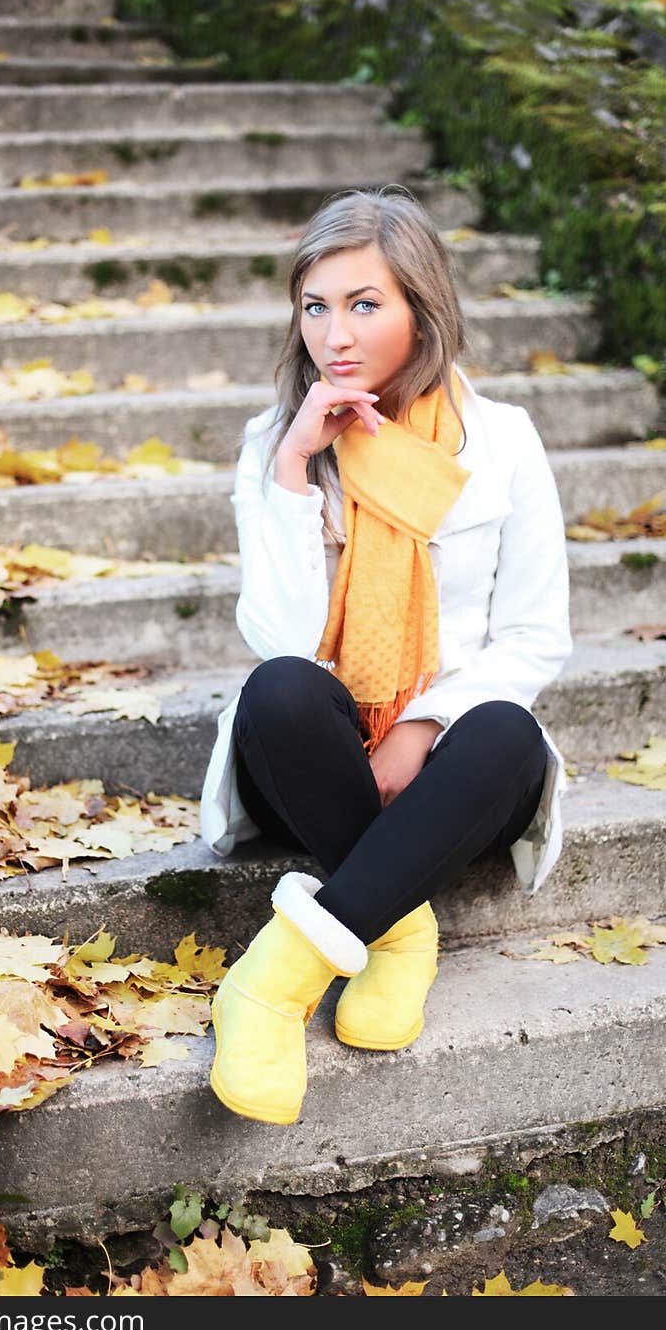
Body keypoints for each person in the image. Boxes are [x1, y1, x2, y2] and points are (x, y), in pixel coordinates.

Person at [199, 185, 573, 1127]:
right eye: (316, 306)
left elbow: (535, 636)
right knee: (277, 692)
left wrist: (416, 727)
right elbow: (281, 640)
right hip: (315, 763)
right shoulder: (275, 444)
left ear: (422, 309)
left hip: (448, 771)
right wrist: (292, 472)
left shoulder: (505, 443)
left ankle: (272, 982)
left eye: (366, 304)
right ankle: (398, 930)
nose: (337, 334)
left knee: (507, 736)